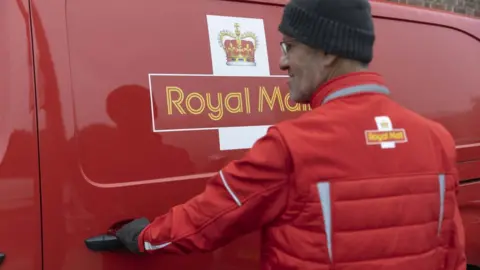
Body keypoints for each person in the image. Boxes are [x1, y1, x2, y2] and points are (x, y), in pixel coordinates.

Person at [115, 0, 466, 269]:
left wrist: (143, 237)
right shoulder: (436, 139)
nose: (282, 63)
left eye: (289, 47)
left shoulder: (292, 145)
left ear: (327, 51)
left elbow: (205, 221)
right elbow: (453, 253)